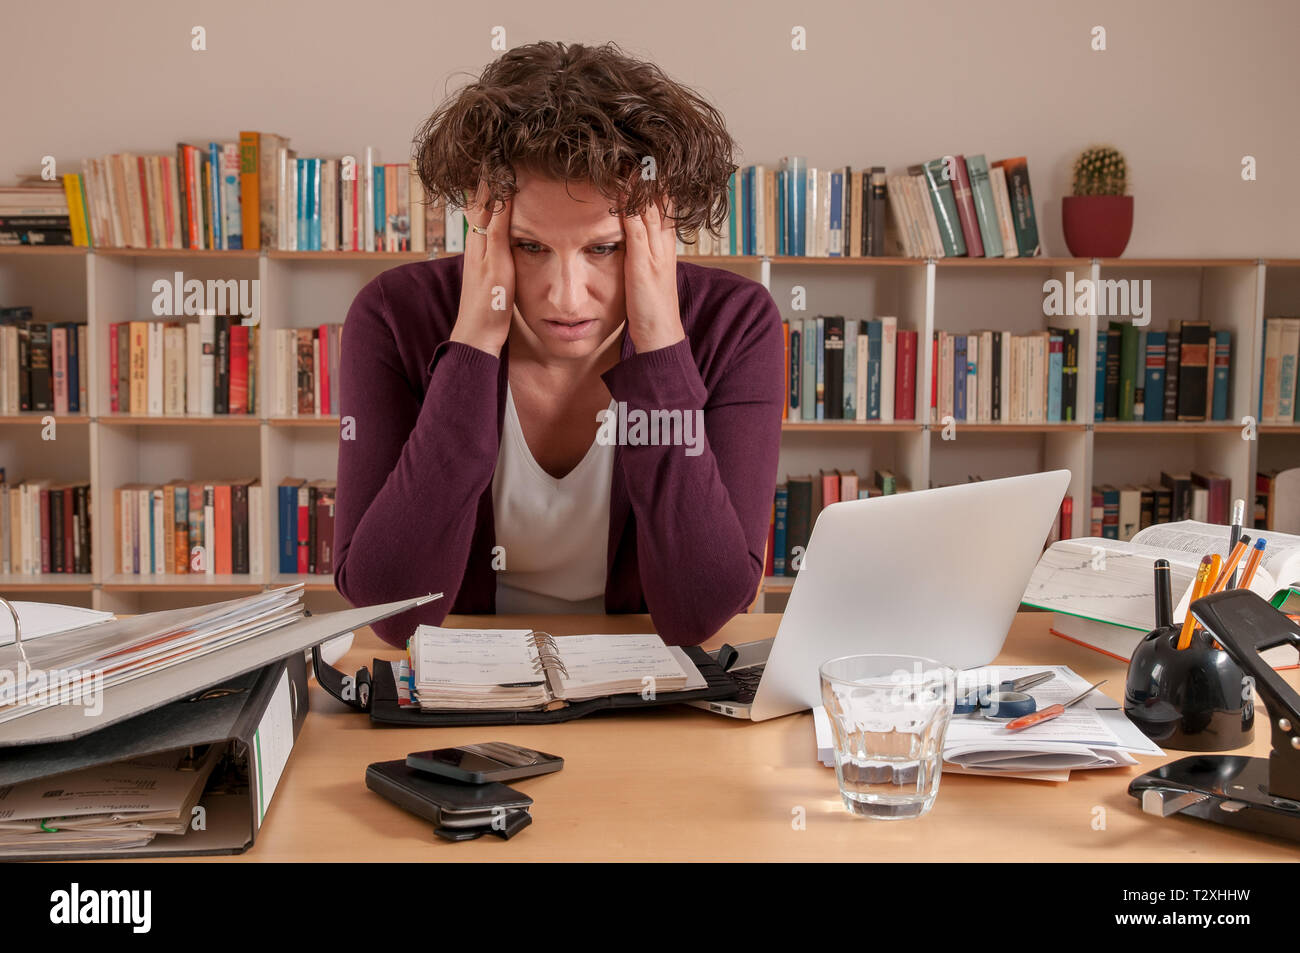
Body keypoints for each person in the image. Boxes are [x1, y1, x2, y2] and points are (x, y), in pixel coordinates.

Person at [334, 40, 784, 647]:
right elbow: (391, 613)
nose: (566, 298)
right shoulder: (394, 315)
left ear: (665, 222)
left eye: (604, 248)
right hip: (463, 696)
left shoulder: (735, 323)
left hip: (647, 700)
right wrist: (472, 342)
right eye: (529, 246)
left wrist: (659, 347)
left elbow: (701, 610)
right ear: (481, 220)